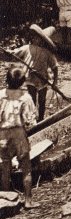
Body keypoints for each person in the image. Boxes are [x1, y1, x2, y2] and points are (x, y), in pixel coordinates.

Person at [0, 66, 39, 209]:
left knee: (5, 166)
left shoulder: (0, 95)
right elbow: (30, 121)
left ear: (7, 79)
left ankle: (5, 201)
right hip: (18, 133)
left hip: (2, 133)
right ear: (23, 82)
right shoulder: (26, 97)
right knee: (26, 167)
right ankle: (28, 200)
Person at [11, 25, 59, 122]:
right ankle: (32, 118)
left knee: (42, 100)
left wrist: (55, 82)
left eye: (37, 37)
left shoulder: (47, 53)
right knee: (32, 99)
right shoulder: (27, 48)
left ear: (42, 40)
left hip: (42, 79)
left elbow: (55, 67)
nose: (35, 39)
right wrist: (9, 51)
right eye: (33, 37)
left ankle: (41, 118)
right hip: (30, 78)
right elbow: (15, 52)